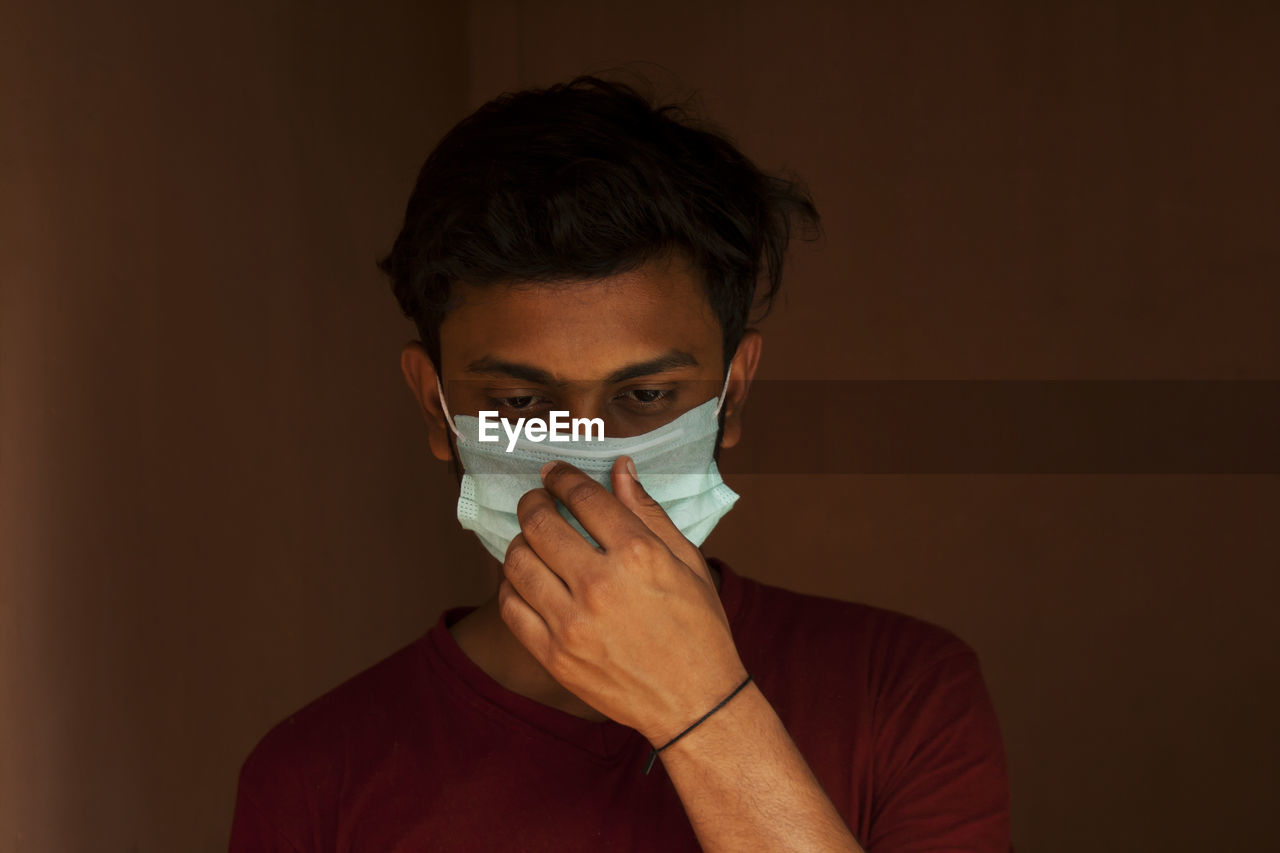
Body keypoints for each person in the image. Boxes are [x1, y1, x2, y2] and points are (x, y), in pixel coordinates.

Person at [228, 74, 1011, 852]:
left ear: (732, 394)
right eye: (523, 405)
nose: (585, 452)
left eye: (645, 395)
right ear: (437, 408)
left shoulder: (904, 694)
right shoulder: (313, 778)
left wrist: (700, 707)